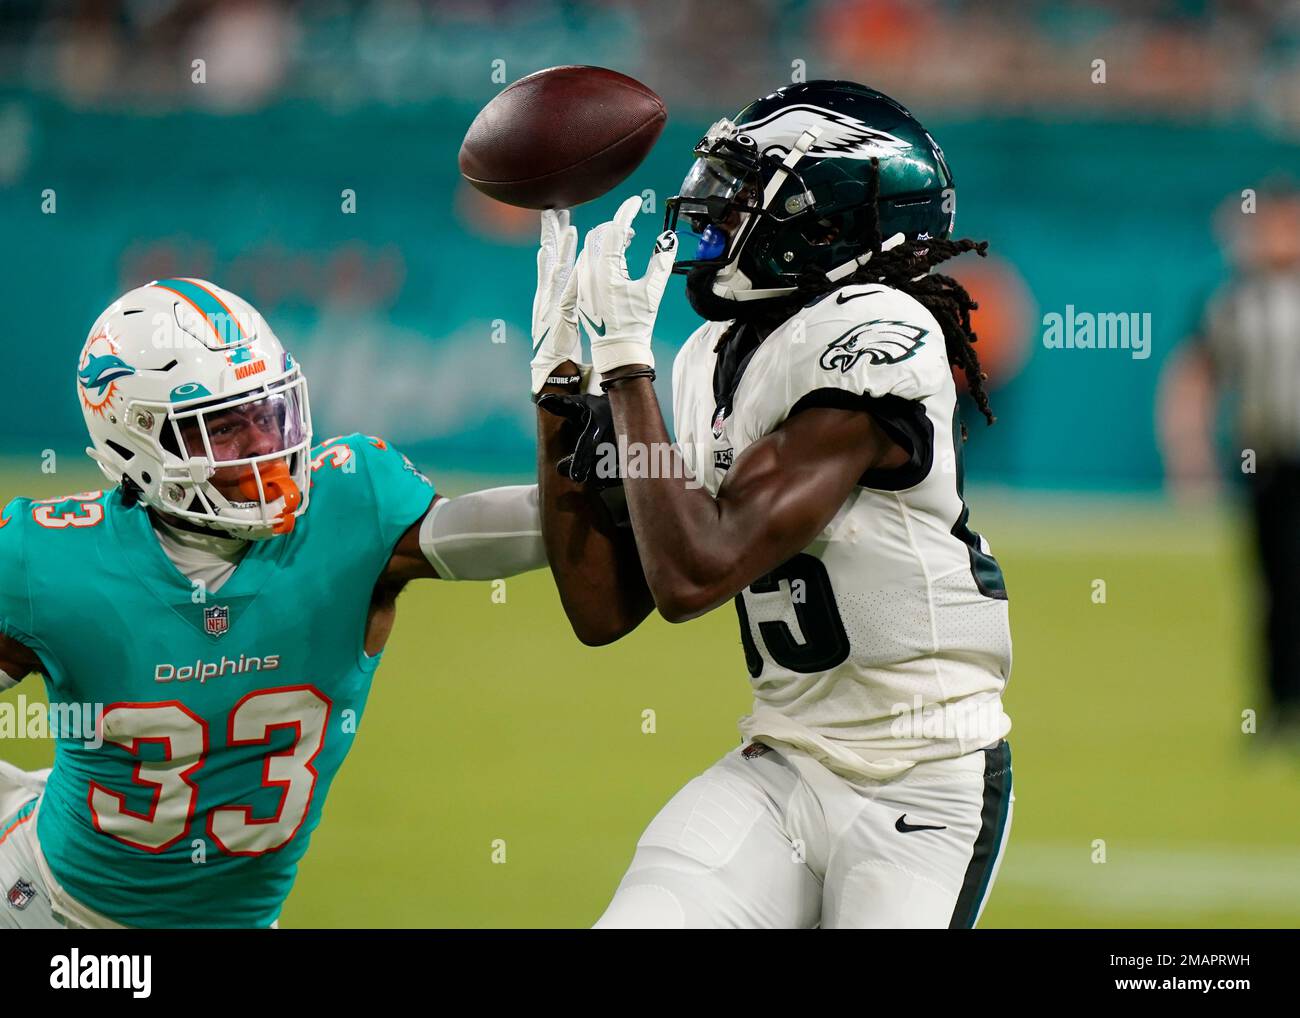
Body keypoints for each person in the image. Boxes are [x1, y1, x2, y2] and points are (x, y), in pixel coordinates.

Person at [530, 81, 1014, 928]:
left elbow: (696, 574)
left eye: (749, 193)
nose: (713, 213)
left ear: (827, 223)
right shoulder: (714, 353)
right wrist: (560, 390)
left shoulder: (880, 333)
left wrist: (625, 367)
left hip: (923, 778)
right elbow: (606, 608)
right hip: (784, 762)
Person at [0, 278, 546, 928]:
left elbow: (518, 529)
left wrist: (621, 465)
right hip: (48, 908)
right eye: (224, 427)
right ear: (135, 442)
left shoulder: (348, 505)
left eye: (269, 413)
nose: (266, 446)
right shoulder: (48, 561)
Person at [1159, 185, 1300, 742]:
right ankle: (1279, 705)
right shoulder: (1234, 301)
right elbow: (1194, 376)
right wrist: (1189, 452)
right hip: (1269, 463)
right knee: (1275, 585)